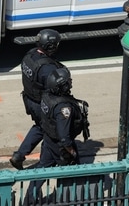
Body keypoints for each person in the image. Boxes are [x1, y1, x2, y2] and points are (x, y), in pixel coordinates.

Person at [24, 67, 86, 204]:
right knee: (73, 172)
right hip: (60, 146)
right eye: (68, 82)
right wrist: (70, 150)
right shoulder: (63, 108)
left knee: (42, 169)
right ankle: (69, 199)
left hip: (48, 140)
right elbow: (64, 135)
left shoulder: (47, 96)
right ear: (61, 86)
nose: (70, 83)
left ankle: (28, 199)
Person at [10, 28, 64, 170]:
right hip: (42, 104)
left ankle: (19, 155)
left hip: (30, 100)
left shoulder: (30, 56)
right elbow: (55, 88)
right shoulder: (47, 68)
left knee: (40, 127)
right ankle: (45, 163)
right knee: (51, 131)